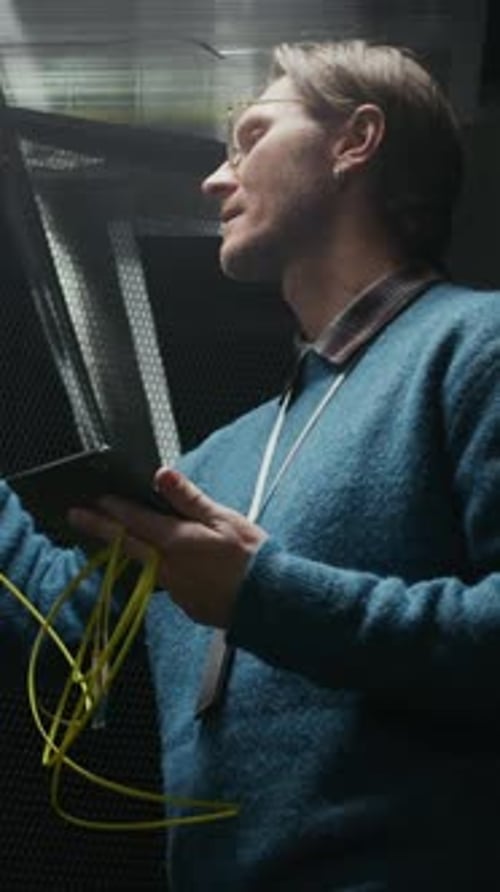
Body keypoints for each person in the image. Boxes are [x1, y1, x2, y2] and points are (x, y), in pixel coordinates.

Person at [2, 39, 500, 890]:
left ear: (356, 140)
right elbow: (71, 627)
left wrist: (259, 594)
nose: (214, 180)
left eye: (253, 136)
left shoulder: (476, 346)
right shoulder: (220, 456)